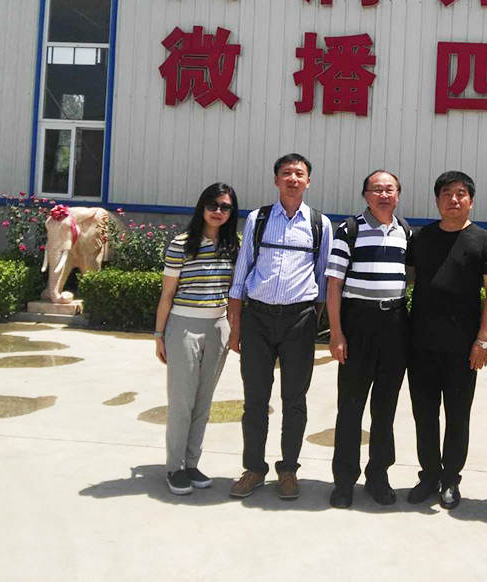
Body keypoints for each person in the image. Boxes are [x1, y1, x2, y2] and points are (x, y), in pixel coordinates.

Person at [226, 153, 332, 500]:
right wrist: (236, 326)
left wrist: (312, 321)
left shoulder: (319, 224)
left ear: (308, 182)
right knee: (255, 399)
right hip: (256, 319)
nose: (292, 179)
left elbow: (322, 278)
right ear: (276, 180)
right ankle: (254, 469)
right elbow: (242, 271)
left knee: (294, 400)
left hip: (299, 321)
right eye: (286, 173)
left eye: (299, 174)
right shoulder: (258, 219)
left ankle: (288, 471)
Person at [406, 170, 487, 509]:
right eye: (446, 193)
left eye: (461, 193)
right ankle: (429, 475)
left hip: (463, 349)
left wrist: (483, 340)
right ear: (437, 200)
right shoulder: (421, 238)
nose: (453, 199)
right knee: (424, 415)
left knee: (458, 416)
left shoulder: (483, 240)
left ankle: (450, 479)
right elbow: (405, 279)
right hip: (420, 344)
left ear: (471, 201)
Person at [325, 170, 412, 508]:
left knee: (385, 408)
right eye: (377, 189)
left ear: (398, 195)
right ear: (365, 195)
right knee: (350, 407)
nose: (384, 195)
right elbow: (334, 284)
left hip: (394, 325)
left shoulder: (405, 232)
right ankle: (344, 482)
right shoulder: (349, 230)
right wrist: (336, 333)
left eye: (390, 189)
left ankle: (378, 477)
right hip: (357, 323)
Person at [155, 182, 240, 496]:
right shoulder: (181, 244)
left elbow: (234, 294)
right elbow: (167, 294)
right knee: (182, 401)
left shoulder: (233, 247)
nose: (218, 212)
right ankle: (174, 467)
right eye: (212, 205)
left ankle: (192, 464)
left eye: (225, 207)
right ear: (202, 207)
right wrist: (159, 335)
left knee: (203, 401)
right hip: (183, 328)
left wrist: (234, 331)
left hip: (218, 328)